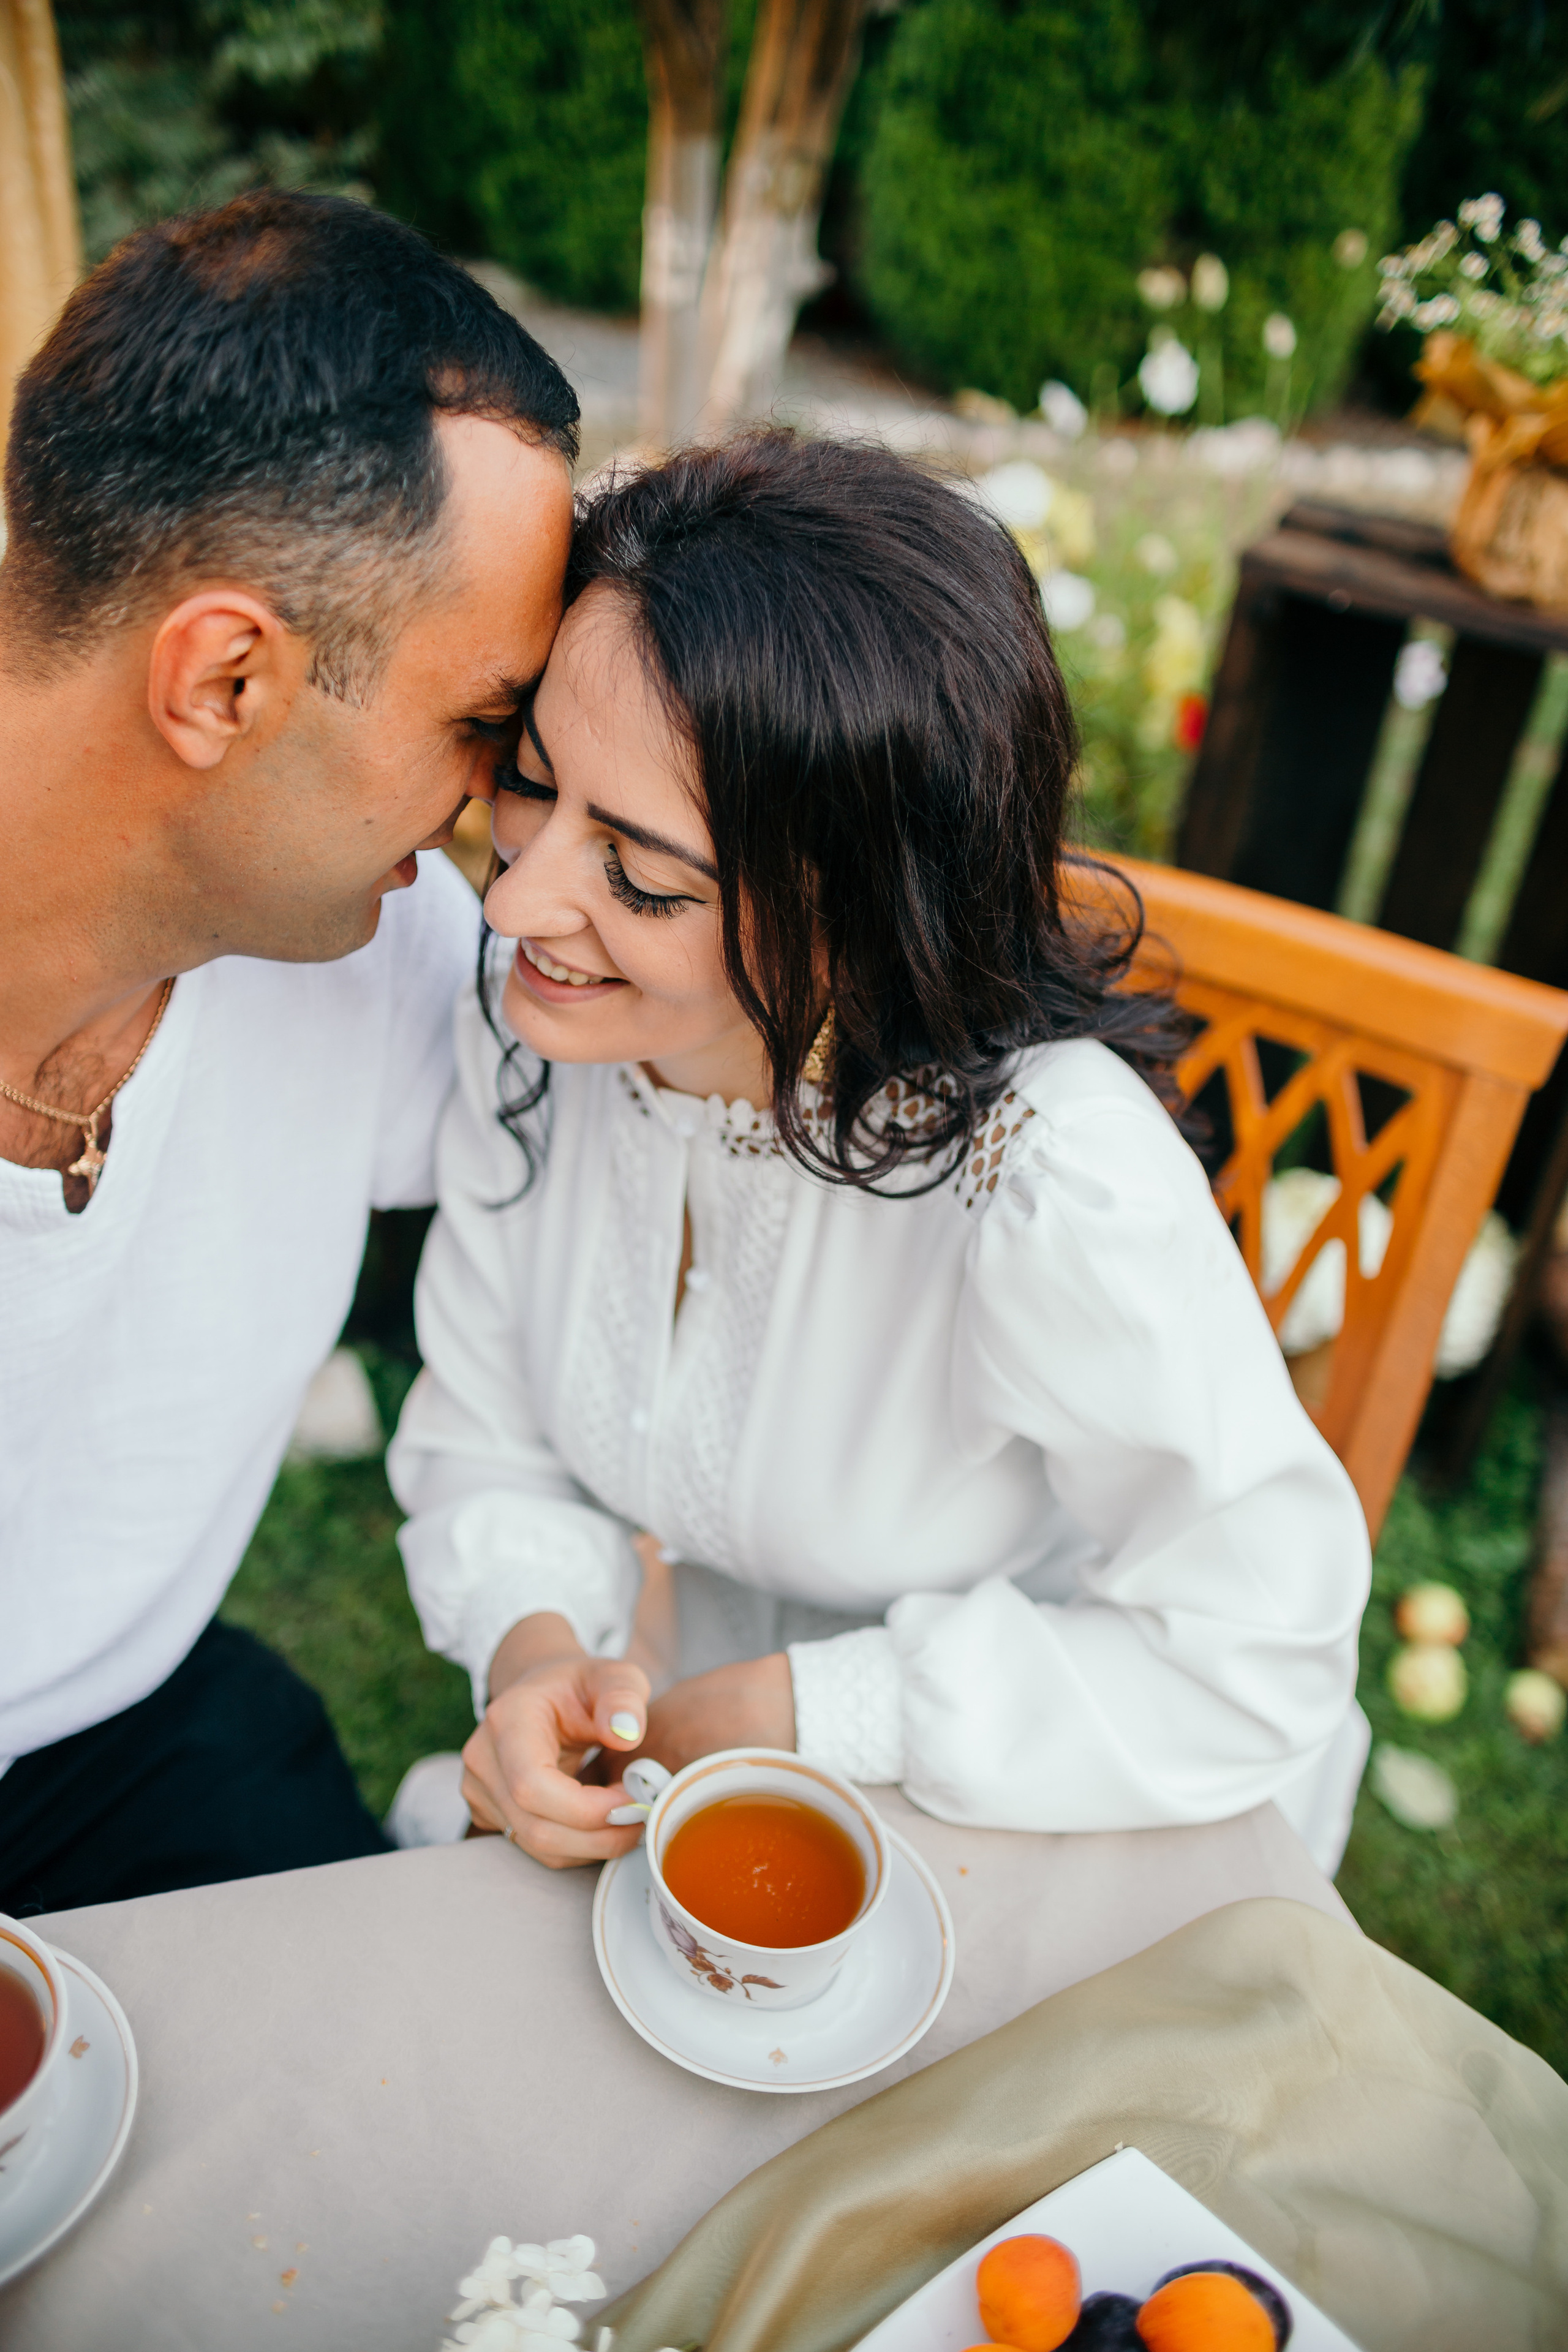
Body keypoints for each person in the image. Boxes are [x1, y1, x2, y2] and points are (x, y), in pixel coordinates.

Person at [387, 431, 1374, 1881]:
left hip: (1061, 1768)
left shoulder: (1045, 1182)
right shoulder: (537, 1033)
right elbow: (489, 1437)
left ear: (850, 914)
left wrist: (807, 1713)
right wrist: (535, 1655)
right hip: (695, 1748)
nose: (513, 903)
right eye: (530, 785)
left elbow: (1249, 1651)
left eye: (639, 876)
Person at [0, 190, 578, 1915]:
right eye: (481, 722)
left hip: (121, 1734)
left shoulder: (384, 952)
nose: (496, 803)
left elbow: (711, 1093)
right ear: (227, 682)